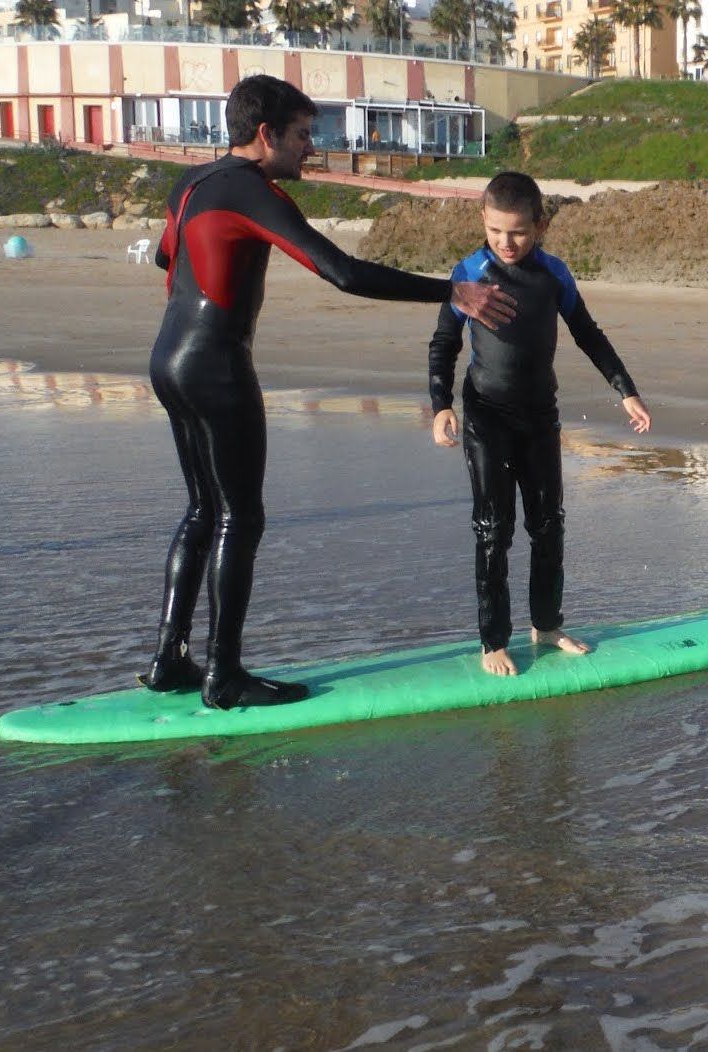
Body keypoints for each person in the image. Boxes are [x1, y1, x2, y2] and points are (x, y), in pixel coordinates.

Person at [141, 74, 514, 711]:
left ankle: (169, 659)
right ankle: (224, 676)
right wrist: (452, 291)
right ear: (266, 135)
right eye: (302, 135)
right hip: (217, 371)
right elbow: (342, 272)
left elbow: (163, 258)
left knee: (204, 510)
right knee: (241, 518)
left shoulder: (192, 181)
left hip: (168, 361)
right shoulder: (256, 193)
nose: (310, 148)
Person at [428, 171, 653, 677]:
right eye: (496, 231)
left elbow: (588, 334)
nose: (506, 243)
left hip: (538, 416)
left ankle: (547, 626)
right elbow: (444, 343)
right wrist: (442, 404)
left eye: (519, 232)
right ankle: (493, 641)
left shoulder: (554, 275)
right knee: (493, 529)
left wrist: (626, 390)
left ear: (541, 225)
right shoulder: (469, 272)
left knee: (548, 525)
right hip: (486, 415)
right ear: (483, 222)